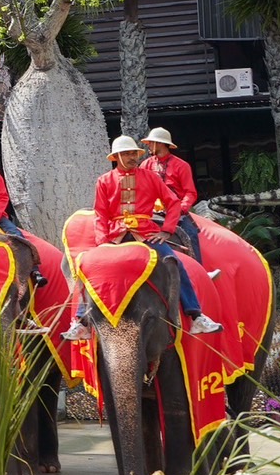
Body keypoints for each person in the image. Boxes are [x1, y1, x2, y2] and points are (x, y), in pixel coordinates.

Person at [62, 136, 222, 341]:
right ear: (116, 157)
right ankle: (81, 321)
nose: (132, 157)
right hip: (115, 235)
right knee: (87, 268)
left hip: (146, 233)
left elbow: (172, 203)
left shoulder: (151, 177)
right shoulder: (104, 181)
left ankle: (196, 316)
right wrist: (102, 243)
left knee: (173, 262)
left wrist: (166, 229)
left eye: (134, 154)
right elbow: (101, 214)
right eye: (127, 154)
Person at [141, 126, 202, 263]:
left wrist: (181, 209)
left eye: (151, 143)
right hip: (152, 211)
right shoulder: (145, 165)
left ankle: (201, 272)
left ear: (160, 143)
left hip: (176, 210)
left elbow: (190, 193)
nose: (149, 146)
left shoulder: (182, 165)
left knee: (191, 234)